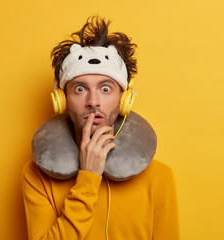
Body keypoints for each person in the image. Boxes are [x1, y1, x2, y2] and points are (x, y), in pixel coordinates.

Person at [21, 16, 179, 240]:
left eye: (105, 89)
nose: (93, 101)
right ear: (62, 99)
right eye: (79, 89)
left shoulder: (159, 177)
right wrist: (88, 179)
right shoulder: (36, 176)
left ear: (123, 100)